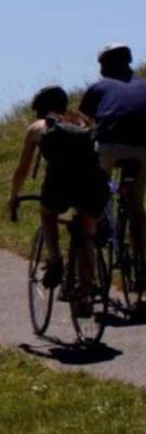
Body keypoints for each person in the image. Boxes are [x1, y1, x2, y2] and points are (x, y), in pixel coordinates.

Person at [8, 86, 108, 310]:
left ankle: (55, 260)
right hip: (93, 181)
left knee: (48, 214)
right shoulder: (82, 121)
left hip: (60, 181)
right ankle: (85, 292)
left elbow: (22, 170)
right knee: (86, 233)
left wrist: (13, 196)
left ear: (40, 108)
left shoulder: (38, 127)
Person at [81, 43, 146, 272]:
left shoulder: (99, 87)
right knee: (136, 207)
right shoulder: (144, 85)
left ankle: (102, 223)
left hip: (109, 146)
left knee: (97, 186)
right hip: (143, 150)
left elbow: (88, 118)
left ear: (104, 66)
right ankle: (141, 265)